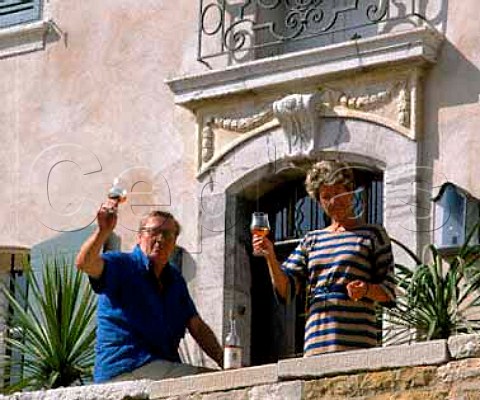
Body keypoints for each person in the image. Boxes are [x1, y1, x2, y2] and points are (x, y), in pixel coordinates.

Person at [252, 160, 396, 356]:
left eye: (338, 193)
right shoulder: (311, 240)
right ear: (318, 201)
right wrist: (270, 256)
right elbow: (286, 289)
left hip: (358, 346)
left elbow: (389, 291)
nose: (334, 202)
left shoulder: (373, 235)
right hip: (316, 344)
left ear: (350, 191)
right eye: (326, 196)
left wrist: (366, 290)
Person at [76, 198, 223, 383]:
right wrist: (103, 231)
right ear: (140, 237)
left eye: (168, 235)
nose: (160, 239)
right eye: (153, 232)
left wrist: (224, 361)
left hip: (161, 367)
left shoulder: (175, 280)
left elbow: (197, 326)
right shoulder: (123, 265)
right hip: (124, 368)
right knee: (213, 384)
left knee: (223, 381)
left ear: (174, 242)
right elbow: (85, 263)